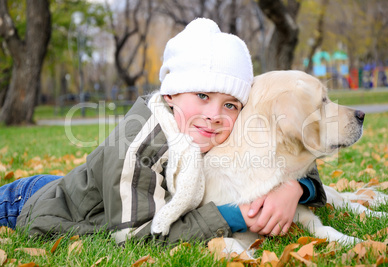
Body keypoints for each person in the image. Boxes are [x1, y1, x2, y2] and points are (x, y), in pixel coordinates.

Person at [0, 18, 326, 245]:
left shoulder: (212, 125)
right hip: (38, 204)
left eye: (230, 104)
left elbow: (281, 157)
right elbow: (137, 233)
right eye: (202, 96)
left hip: (89, 188)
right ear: (170, 94)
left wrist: (294, 189)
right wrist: (234, 217)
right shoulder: (140, 145)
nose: (215, 115)